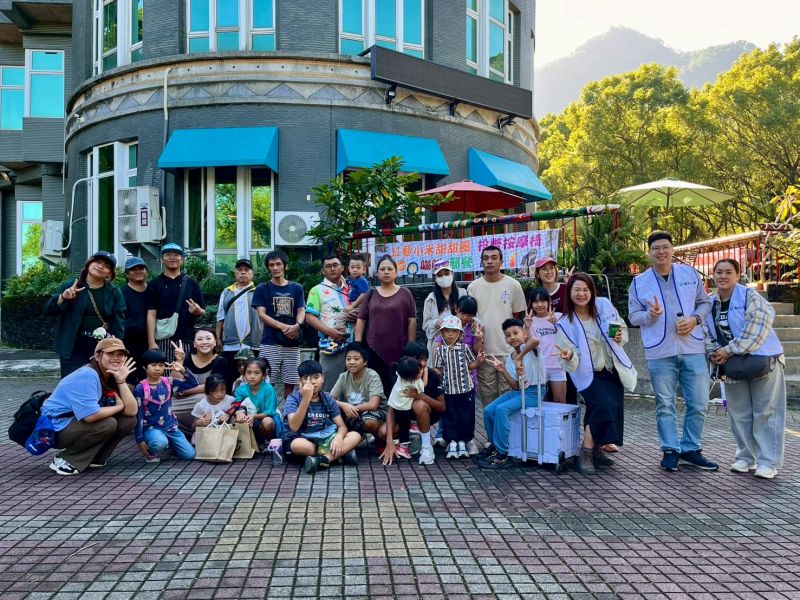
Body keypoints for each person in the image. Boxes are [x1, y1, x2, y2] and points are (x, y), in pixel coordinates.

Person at [628, 231, 718, 472]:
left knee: (699, 402)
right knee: (665, 403)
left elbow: (705, 303)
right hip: (660, 351)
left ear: (672, 249)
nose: (661, 252)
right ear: (649, 252)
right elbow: (633, 316)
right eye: (656, 248)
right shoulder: (639, 282)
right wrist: (649, 316)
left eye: (665, 247)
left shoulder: (689, 274)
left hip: (693, 348)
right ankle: (669, 449)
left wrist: (695, 319)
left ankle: (690, 448)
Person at [703, 258, 786, 479]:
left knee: (766, 412)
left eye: (728, 272)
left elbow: (756, 332)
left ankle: (768, 462)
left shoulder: (752, 298)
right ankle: (745, 457)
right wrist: (713, 352)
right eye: (719, 272)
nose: (723, 276)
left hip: (763, 361)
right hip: (731, 365)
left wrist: (727, 350)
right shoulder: (709, 303)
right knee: (738, 412)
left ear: (738, 275)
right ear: (713, 275)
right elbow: (705, 332)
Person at [555, 273, 636, 475]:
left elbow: (620, 327)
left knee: (607, 408)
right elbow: (568, 352)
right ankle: (586, 452)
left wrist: (619, 335)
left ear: (591, 291)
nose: (581, 294)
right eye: (577, 290)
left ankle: (597, 450)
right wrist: (569, 355)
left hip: (611, 368)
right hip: (588, 373)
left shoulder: (604, 306)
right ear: (569, 293)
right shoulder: (565, 323)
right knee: (601, 406)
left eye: (585, 289)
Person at [41, 338, 138, 475]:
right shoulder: (87, 374)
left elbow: (132, 411)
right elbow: (90, 416)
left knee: (128, 421)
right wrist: (118, 407)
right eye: (110, 353)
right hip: (54, 428)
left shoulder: (112, 375)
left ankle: (96, 457)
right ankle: (67, 459)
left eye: (120, 354)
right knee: (108, 423)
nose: (116, 358)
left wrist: (121, 381)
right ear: (97, 356)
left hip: (75, 423)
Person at [44, 251, 126, 378]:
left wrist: (116, 347)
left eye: (107, 266)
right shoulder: (71, 285)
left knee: (99, 382)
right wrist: (63, 297)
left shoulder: (114, 292)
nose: (101, 266)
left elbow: (118, 323)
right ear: (89, 263)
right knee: (73, 383)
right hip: (73, 346)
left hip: (101, 347)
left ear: (110, 273)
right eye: (98, 262)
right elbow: (48, 311)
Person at [478, 319, 546, 469]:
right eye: (508, 335)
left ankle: (503, 454)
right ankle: (494, 446)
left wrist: (520, 357)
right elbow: (515, 386)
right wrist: (502, 370)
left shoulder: (531, 350)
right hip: (519, 392)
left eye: (516, 333)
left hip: (534, 393)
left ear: (524, 333)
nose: (512, 337)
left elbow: (535, 340)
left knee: (502, 409)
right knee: (489, 410)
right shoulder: (510, 357)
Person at [467, 245, 526, 406]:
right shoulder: (473, 287)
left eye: (494, 258)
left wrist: (517, 348)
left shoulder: (513, 285)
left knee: (509, 399)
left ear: (501, 261)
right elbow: (470, 319)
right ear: (481, 262)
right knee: (489, 402)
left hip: (509, 353)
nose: (490, 261)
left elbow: (518, 317)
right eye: (485, 258)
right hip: (484, 354)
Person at [354, 254, 417, 397]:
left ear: (396, 272)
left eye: (390, 269)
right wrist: (358, 345)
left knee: (398, 389)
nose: (386, 272)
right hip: (373, 349)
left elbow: (411, 320)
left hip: (400, 349)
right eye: (382, 269)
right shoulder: (371, 293)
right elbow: (361, 319)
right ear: (377, 273)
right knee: (376, 388)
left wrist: (411, 346)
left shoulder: (405, 293)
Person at [284, 360, 362, 475]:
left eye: (316, 377)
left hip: (324, 439)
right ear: (300, 381)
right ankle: (340, 455)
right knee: (297, 445)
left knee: (355, 435)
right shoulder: (293, 398)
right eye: (306, 378)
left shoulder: (327, 398)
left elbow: (341, 426)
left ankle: (323, 460)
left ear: (322, 378)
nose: (313, 382)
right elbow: (294, 427)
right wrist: (306, 399)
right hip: (301, 439)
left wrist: (338, 438)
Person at [431, 295, 484, 449]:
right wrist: (439, 370)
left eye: (470, 315)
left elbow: (476, 352)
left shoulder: (475, 327)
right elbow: (437, 348)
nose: (466, 318)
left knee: (466, 411)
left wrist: (478, 339)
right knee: (449, 411)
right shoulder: (447, 324)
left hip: (466, 377)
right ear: (456, 309)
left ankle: (467, 440)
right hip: (448, 380)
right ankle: (447, 437)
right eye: (463, 313)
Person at [253, 250, 306, 400]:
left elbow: (301, 310)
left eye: (278, 264)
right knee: (266, 380)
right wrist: (283, 327)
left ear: (285, 266)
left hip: (292, 341)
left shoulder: (296, 288)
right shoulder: (262, 288)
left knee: (291, 381)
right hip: (270, 342)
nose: (275, 268)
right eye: (271, 265)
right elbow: (261, 314)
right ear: (268, 268)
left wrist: (297, 325)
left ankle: (288, 410)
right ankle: (267, 410)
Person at [133, 347, 198, 463]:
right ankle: (152, 451)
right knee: (159, 443)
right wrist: (139, 439)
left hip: (171, 427)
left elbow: (193, 383)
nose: (158, 368)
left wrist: (183, 370)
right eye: (153, 365)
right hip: (151, 428)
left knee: (189, 455)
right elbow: (139, 415)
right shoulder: (140, 388)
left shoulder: (169, 382)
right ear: (144, 367)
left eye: (161, 365)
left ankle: (171, 444)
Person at [146, 243, 205, 362]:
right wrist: (151, 342)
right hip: (163, 339)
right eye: (168, 255)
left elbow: (202, 311)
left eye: (176, 255)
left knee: (185, 371)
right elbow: (151, 314)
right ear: (161, 259)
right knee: (163, 371)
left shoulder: (192, 284)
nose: (172, 257)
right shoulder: (154, 284)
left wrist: (198, 311)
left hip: (187, 339)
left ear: (182, 259)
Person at [305, 254, 354, 391]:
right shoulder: (317, 290)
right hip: (331, 344)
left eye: (335, 265)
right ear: (323, 270)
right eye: (328, 266)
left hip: (354, 344)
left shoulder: (352, 289)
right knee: (330, 386)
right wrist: (330, 332)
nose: (332, 268)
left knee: (353, 385)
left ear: (342, 268)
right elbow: (310, 317)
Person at [171, 327, 229, 432]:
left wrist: (183, 391)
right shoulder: (186, 358)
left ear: (215, 342)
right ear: (194, 343)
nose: (204, 342)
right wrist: (179, 360)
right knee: (165, 408)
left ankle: (197, 431)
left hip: (205, 399)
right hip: (181, 400)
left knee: (203, 399)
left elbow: (213, 388)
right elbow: (175, 385)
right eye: (200, 339)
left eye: (208, 338)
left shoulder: (221, 362)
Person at [216, 258, 262, 384]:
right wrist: (218, 338)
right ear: (235, 273)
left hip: (253, 343)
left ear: (252, 273)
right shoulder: (227, 292)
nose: (243, 272)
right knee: (230, 377)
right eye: (240, 270)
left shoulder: (259, 291)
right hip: (231, 343)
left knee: (253, 378)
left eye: (246, 270)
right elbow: (220, 317)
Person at [330, 343, 387, 439]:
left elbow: (373, 405)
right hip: (353, 412)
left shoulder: (372, 375)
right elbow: (330, 399)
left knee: (369, 421)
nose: (351, 362)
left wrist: (351, 408)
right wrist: (344, 405)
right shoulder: (343, 376)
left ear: (365, 362)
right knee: (331, 413)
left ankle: (377, 438)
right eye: (348, 359)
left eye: (356, 359)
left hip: (375, 412)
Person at [381, 356, 425, 464]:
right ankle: (404, 446)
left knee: (402, 427)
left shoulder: (399, 376)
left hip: (394, 407)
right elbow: (423, 388)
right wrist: (425, 372)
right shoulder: (415, 382)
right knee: (405, 426)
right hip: (405, 410)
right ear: (413, 376)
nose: (421, 371)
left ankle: (399, 443)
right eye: (419, 371)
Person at [527, 287, 566, 404]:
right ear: (531, 304)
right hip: (539, 367)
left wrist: (556, 323)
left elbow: (568, 337)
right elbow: (529, 345)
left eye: (543, 301)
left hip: (558, 366)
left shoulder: (559, 317)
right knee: (541, 403)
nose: (539, 305)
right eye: (536, 301)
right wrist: (527, 327)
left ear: (549, 301)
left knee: (560, 402)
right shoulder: (530, 321)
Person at [422, 259, 467, 356]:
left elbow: (473, 316)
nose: (444, 277)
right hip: (439, 347)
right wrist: (435, 323)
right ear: (435, 278)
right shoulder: (431, 299)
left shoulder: (464, 294)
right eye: (439, 275)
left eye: (447, 273)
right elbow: (425, 325)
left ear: (452, 274)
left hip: (462, 344)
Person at [234, 358, 283, 445]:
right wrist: (238, 412)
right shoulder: (240, 390)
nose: (252, 376)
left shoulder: (268, 389)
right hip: (248, 419)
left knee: (267, 422)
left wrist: (254, 416)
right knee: (235, 419)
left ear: (264, 375)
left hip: (266, 418)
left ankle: (267, 443)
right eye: (249, 372)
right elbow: (236, 405)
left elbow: (270, 411)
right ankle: (245, 444)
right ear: (244, 375)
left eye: (256, 373)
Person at [121, 256, 152, 384]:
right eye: (133, 269)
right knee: (129, 380)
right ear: (127, 274)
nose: (138, 271)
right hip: (128, 344)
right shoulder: (121, 293)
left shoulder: (153, 291)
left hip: (151, 343)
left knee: (150, 380)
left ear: (147, 271)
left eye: (141, 268)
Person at [191, 373, 256, 434]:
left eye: (222, 390)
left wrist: (234, 414)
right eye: (214, 391)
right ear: (207, 391)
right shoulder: (200, 406)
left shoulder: (230, 400)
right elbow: (193, 429)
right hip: (209, 437)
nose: (220, 394)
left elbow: (237, 412)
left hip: (228, 435)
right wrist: (198, 423)